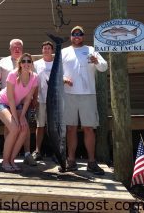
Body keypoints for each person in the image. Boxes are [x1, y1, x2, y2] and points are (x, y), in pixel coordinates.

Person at [62, 26, 108, 175]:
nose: (76, 36)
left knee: (89, 128)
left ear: (83, 36)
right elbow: (57, 72)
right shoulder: (63, 52)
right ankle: (71, 160)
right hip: (69, 95)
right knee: (71, 128)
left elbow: (103, 67)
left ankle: (92, 162)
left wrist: (96, 61)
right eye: (74, 34)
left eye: (79, 34)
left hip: (88, 95)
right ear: (70, 36)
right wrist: (63, 78)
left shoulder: (91, 49)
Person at [0, 39, 37, 166]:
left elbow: (29, 97)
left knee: (24, 129)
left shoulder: (34, 76)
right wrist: (16, 119)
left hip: (19, 104)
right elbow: (8, 96)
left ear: (32, 63)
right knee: (13, 128)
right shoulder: (10, 71)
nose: (26, 63)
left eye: (29, 61)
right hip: (4, 102)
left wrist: (21, 116)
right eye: (24, 61)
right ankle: (5, 161)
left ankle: (13, 159)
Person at [32, 41, 54, 161]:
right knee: (40, 125)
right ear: (42, 50)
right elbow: (33, 83)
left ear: (52, 50)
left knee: (54, 127)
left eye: (48, 48)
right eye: (44, 48)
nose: (46, 50)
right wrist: (34, 98)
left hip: (55, 102)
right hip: (41, 99)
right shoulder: (36, 64)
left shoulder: (57, 63)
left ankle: (56, 151)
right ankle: (37, 150)